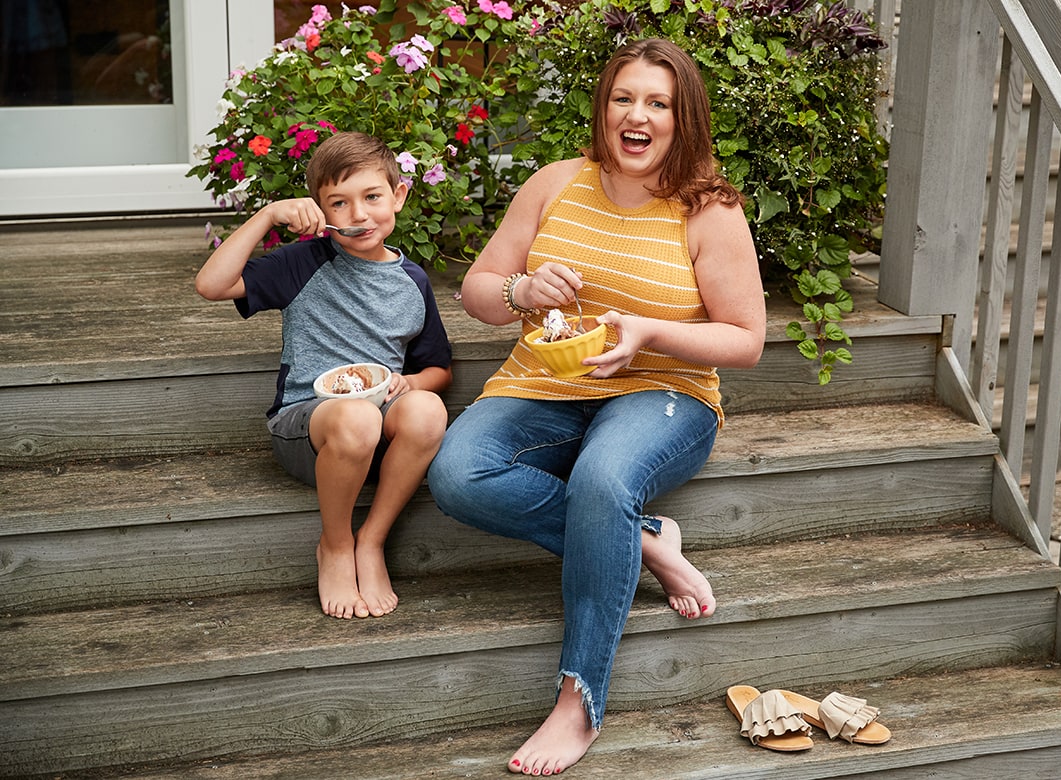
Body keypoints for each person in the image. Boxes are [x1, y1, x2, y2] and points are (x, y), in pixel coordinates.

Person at [426, 38, 766, 776]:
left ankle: (578, 700)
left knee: (602, 481)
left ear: (683, 119)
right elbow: (479, 290)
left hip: (664, 393)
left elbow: (744, 340)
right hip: (541, 386)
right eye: (623, 98)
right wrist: (521, 291)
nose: (636, 115)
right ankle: (647, 542)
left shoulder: (709, 210)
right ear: (603, 108)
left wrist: (648, 331)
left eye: (657, 103)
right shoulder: (555, 184)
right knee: (455, 473)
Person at [195, 131, 452, 620]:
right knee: (355, 418)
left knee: (427, 410)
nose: (359, 215)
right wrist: (268, 215)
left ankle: (370, 541)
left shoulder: (412, 281)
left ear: (397, 196)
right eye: (339, 203)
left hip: (381, 432)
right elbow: (211, 285)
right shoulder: (302, 263)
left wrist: (414, 383)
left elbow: (437, 366)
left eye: (372, 197)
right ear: (320, 212)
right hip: (308, 432)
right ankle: (334, 546)